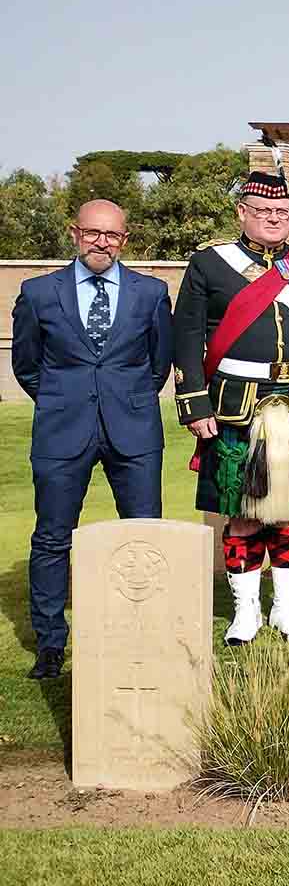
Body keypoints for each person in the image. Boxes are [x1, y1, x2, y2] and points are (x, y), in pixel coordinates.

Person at [174, 169, 289, 646]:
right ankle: (245, 611)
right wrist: (194, 402)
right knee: (243, 513)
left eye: (283, 211)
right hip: (236, 405)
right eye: (264, 211)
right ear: (242, 212)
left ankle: (287, 608)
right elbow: (187, 334)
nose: (275, 219)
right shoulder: (212, 264)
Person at [11, 200, 173, 679]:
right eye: (93, 233)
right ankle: (50, 644)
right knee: (52, 538)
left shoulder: (150, 293)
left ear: (125, 239)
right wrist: (65, 398)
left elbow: (157, 364)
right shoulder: (39, 293)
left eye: (113, 235)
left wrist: (127, 398)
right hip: (63, 429)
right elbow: (27, 366)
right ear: (75, 233)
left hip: (134, 427)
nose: (102, 242)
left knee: (145, 536)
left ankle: (143, 635)